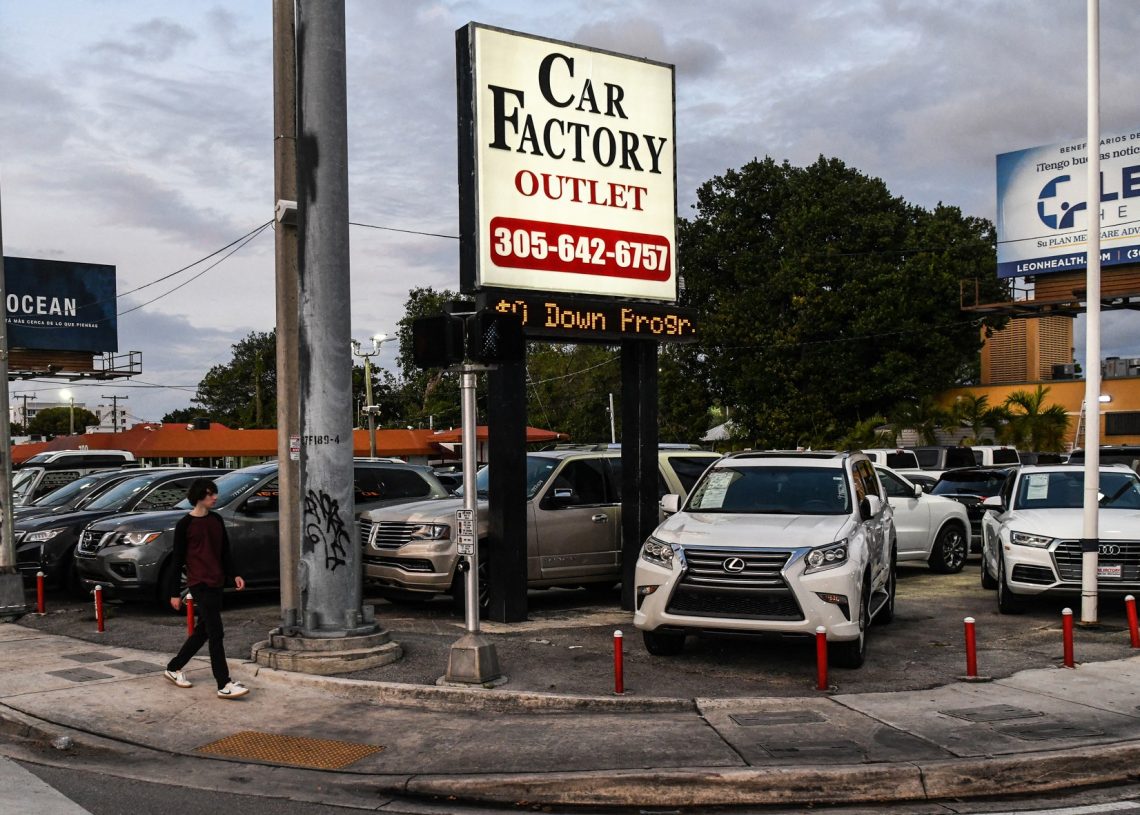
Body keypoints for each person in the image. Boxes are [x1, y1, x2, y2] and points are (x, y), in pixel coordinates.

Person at [163, 478, 249, 699]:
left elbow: (224, 551)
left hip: (217, 581)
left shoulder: (216, 520)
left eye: (215, 493)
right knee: (216, 633)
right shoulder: (185, 525)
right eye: (211, 494)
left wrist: (235, 574)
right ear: (199, 496)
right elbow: (177, 560)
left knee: (204, 631)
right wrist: (174, 592)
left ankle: (174, 667)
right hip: (199, 583)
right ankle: (224, 683)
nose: (215, 497)